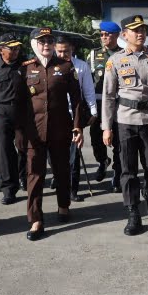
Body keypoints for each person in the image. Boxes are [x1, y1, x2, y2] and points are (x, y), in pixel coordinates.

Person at [101, 15, 148, 236]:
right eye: (135, 30)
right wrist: (107, 127)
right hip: (125, 120)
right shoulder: (115, 60)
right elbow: (108, 96)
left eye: (143, 29)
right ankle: (133, 212)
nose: (141, 33)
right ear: (125, 35)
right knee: (128, 169)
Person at [16, 27, 83, 241]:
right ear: (33, 44)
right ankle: (35, 219)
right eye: (42, 41)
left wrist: (78, 126)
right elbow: (17, 104)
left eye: (50, 41)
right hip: (33, 131)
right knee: (34, 175)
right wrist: (18, 132)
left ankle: (63, 205)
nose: (46, 45)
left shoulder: (65, 66)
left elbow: (77, 99)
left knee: (62, 170)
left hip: (60, 129)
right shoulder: (25, 69)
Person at [55, 35, 97, 203]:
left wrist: (93, 110)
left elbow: (88, 89)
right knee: (56, 155)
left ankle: (73, 189)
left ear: (72, 49)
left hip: (74, 116)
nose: (62, 54)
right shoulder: (50, 66)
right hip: (55, 116)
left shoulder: (81, 66)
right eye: (59, 51)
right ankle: (59, 181)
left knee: (74, 155)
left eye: (66, 51)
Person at [0, 32, 28, 205]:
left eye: (17, 48)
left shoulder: (26, 65)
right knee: (5, 151)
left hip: (22, 111)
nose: (15, 51)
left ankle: (24, 179)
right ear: (1, 50)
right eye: (11, 48)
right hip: (1, 112)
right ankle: (8, 189)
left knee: (23, 148)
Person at [88, 21, 123, 192]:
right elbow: (87, 81)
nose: (103, 37)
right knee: (96, 138)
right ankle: (102, 161)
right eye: (101, 34)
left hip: (119, 104)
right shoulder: (94, 55)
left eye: (106, 34)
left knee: (118, 140)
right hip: (99, 103)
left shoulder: (124, 54)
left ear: (116, 35)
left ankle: (117, 172)